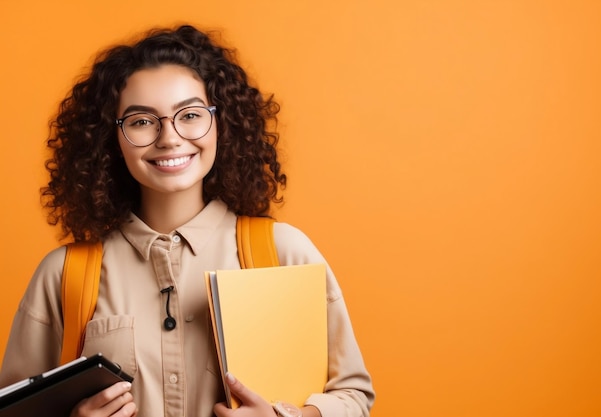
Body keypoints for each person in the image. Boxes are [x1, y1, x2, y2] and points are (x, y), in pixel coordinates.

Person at [0, 25, 374, 417]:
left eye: (190, 114)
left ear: (221, 123)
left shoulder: (284, 252)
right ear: (111, 139)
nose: (169, 138)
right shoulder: (64, 275)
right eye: (142, 121)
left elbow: (353, 396)